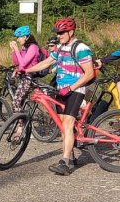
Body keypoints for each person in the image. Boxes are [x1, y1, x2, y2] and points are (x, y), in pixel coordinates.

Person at [23, 17, 95, 176]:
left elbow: (89, 73)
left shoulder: (81, 48)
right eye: (58, 33)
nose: (59, 35)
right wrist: (25, 70)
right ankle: (71, 156)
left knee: (67, 125)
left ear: (71, 32)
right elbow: (47, 62)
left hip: (76, 90)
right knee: (62, 125)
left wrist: (71, 87)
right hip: (61, 90)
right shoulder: (60, 47)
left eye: (62, 33)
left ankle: (65, 162)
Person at [9, 25, 42, 112]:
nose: (17, 40)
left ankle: (19, 121)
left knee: (16, 102)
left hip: (30, 77)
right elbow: (17, 62)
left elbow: (23, 64)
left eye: (18, 37)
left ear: (25, 37)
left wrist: (17, 49)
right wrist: (13, 51)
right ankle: (24, 119)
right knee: (21, 102)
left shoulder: (33, 47)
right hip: (24, 76)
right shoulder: (25, 48)